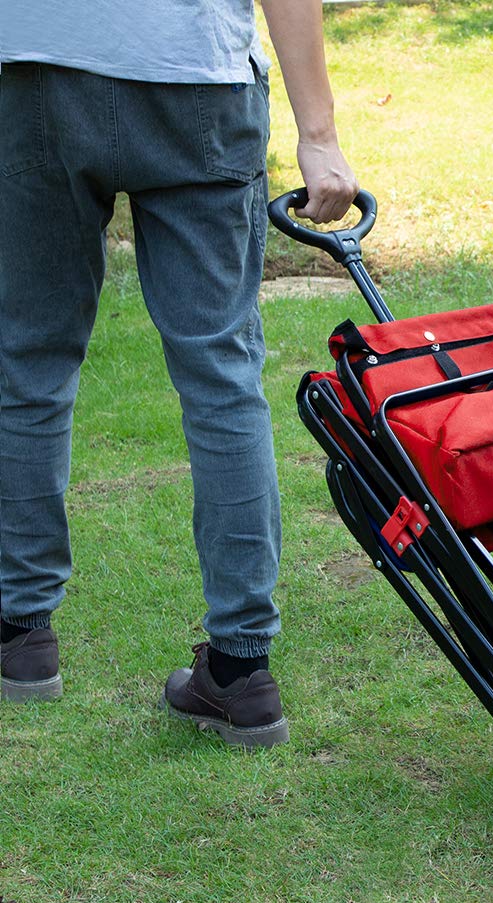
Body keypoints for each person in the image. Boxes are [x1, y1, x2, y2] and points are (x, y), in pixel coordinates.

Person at [0, 0, 358, 747]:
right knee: (222, 377)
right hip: (195, 76)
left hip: (38, 70)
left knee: (29, 362)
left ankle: (19, 636)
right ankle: (240, 669)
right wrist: (318, 136)